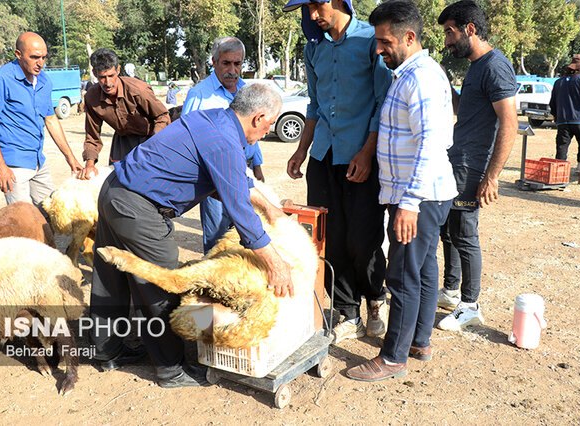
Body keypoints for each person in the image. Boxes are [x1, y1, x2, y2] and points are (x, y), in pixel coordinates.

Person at [89, 83, 293, 388]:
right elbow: (240, 210)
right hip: (138, 206)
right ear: (258, 117)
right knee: (163, 280)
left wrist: (270, 208)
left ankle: (107, 351)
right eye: (269, 124)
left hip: (115, 190)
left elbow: (235, 182)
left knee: (111, 276)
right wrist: (275, 264)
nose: (267, 132)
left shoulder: (213, 120)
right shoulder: (225, 142)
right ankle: (170, 369)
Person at [346, 0, 457, 382]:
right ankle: (419, 341)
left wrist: (408, 204)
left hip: (419, 197)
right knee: (423, 272)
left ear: (409, 37)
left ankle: (392, 358)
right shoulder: (408, 74)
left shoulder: (421, 78)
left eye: (385, 41)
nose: (378, 49)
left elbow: (429, 144)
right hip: (424, 194)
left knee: (402, 278)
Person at [283, 0, 392, 343]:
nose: (312, 16)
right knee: (329, 239)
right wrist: (301, 150)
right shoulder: (312, 47)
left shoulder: (369, 40)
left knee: (363, 237)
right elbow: (314, 104)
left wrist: (367, 152)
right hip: (323, 155)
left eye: (316, 6)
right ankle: (347, 312)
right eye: (307, 10)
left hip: (361, 157)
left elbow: (381, 101)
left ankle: (375, 301)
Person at [436, 0, 518, 331]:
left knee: (465, 232)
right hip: (459, 161)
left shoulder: (496, 66)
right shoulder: (476, 66)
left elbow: (509, 122)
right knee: (450, 230)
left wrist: (492, 176)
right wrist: (445, 82)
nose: (447, 41)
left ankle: (470, 305)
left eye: (450, 32)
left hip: (473, 166)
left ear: (470, 29)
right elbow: (463, 109)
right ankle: (452, 291)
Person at [182, 36, 266, 254]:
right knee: (217, 237)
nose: (232, 70)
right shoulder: (199, 95)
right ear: (214, 62)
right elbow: (188, 139)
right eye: (226, 63)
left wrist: (257, 166)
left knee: (244, 233)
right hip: (214, 175)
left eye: (237, 64)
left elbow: (252, 132)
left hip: (244, 170)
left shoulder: (246, 91)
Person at [0, 32, 82, 207]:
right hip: (13, 164)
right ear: (18, 54)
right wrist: (0, 167)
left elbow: (51, 120)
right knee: (23, 221)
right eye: (34, 57)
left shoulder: (43, 80)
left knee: (52, 212)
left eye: (43, 57)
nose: (40, 63)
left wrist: (70, 158)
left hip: (38, 160)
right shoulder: (0, 79)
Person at [79, 48, 170, 180]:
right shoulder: (91, 97)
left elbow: (162, 116)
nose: (108, 83)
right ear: (94, 73)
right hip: (121, 143)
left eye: (111, 76)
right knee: (117, 185)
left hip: (149, 140)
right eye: (102, 78)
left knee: (151, 183)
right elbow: (92, 136)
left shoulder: (139, 90)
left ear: (118, 70)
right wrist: (89, 164)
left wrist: (154, 146)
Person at [550, 54, 580, 169]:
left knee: (562, 145)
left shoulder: (558, 82)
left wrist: (555, 115)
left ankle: (559, 169)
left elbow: (552, 102)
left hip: (562, 120)